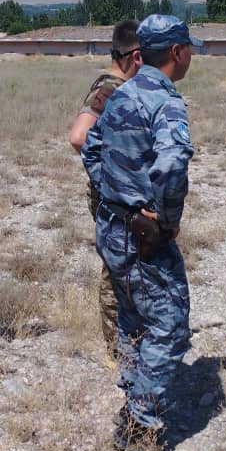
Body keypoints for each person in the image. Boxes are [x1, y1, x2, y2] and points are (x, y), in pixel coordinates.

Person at [82, 14, 201, 451]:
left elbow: (90, 146)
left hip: (113, 227)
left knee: (133, 318)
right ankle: (140, 426)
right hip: (142, 236)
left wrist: (113, 192)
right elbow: (171, 166)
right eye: (189, 50)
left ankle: (132, 400)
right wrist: (164, 221)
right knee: (169, 327)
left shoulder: (121, 93)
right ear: (176, 52)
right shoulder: (165, 103)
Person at [68, 20, 143, 361]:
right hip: (112, 197)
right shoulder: (111, 88)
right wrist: (114, 174)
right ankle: (117, 349)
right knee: (116, 270)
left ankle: (130, 339)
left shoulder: (122, 86)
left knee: (127, 267)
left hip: (121, 195)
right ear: (134, 55)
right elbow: (79, 137)